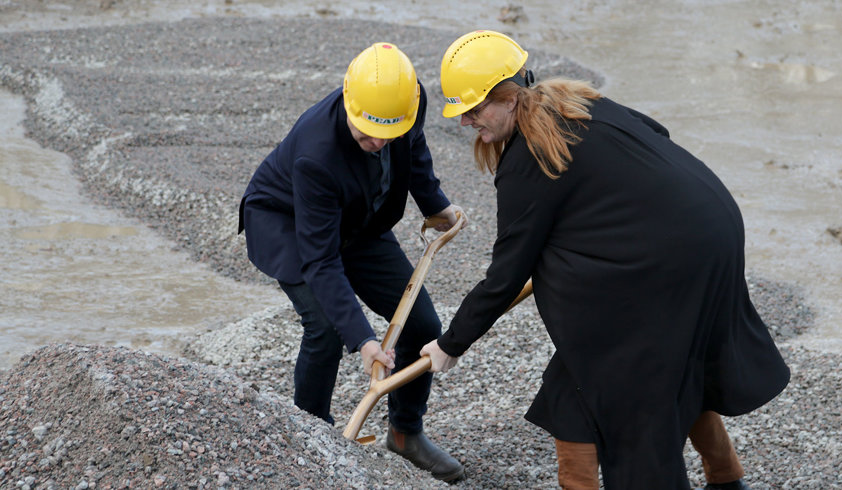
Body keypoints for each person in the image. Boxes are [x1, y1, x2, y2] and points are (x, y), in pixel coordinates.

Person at [419, 30, 791, 489]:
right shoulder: (577, 102)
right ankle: (726, 479)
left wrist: (451, 344)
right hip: (712, 226)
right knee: (590, 376)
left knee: (634, 392)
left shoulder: (529, 161)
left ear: (510, 96)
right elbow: (658, 136)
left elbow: (506, 273)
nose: (466, 122)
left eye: (474, 109)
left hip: (670, 262)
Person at [237, 42, 465, 482]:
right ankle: (311, 439)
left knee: (423, 323)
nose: (377, 141)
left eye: (386, 133)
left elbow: (413, 154)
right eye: (365, 134)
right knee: (325, 327)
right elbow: (322, 261)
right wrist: (364, 340)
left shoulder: (404, 101)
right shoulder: (315, 154)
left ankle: (405, 433)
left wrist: (437, 207)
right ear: (348, 100)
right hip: (287, 221)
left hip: (359, 217)